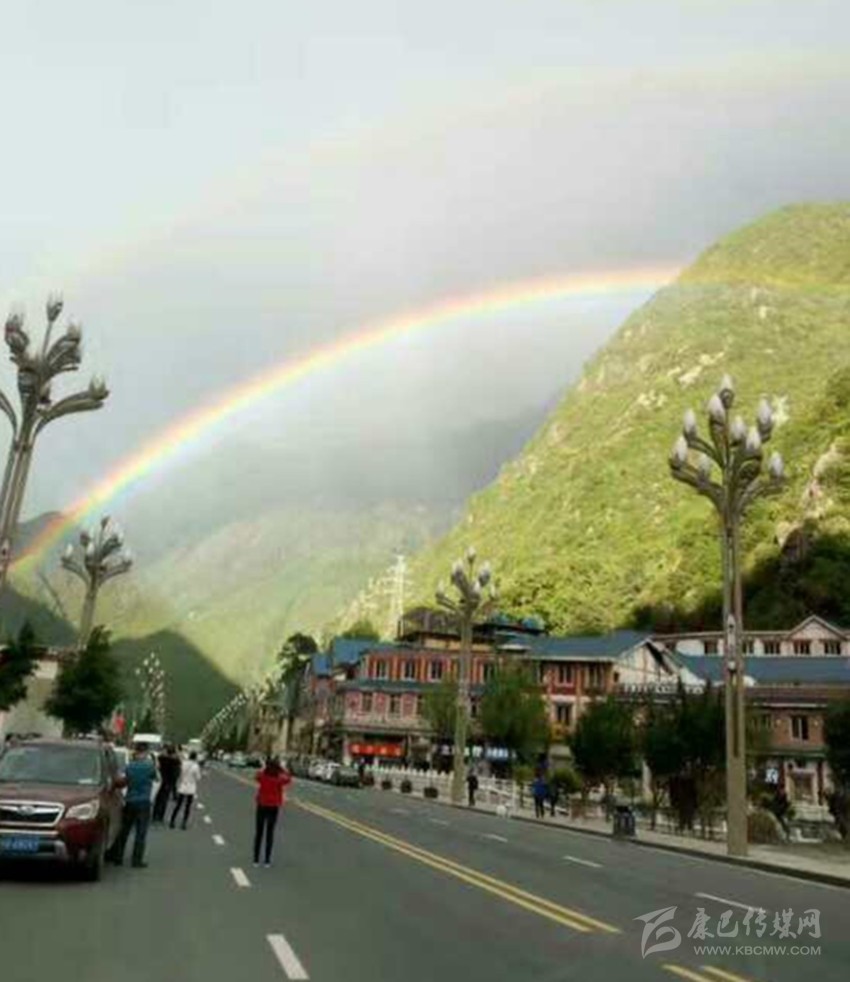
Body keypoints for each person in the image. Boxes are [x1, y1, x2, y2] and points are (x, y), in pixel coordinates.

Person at [110, 742, 157, 868]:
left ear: (136, 751)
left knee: (124, 830)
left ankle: (118, 857)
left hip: (130, 800)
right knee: (141, 833)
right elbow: (155, 777)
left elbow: (125, 780)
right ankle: (136, 860)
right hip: (144, 801)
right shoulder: (149, 766)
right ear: (146, 752)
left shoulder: (130, 766)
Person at [254, 756, 292, 868]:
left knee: (259, 833)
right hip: (273, 807)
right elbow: (288, 778)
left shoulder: (263, 777)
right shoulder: (278, 779)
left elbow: (257, 775)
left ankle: (256, 859)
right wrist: (283, 768)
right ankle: (267, 860)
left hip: (261, 805)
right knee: (270, 833)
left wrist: (263, 767)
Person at [170, 751, 202, 830]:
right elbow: (198, 778)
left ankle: (172, 821)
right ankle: (183, 823)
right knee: (187, 806)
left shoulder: (183, 764)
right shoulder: (196, 766)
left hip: (182, 786)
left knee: (178, 805)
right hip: (191, 788)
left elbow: (180, 773)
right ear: (195, 757)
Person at [153, 745, 180, 823]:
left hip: (161, 780)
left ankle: (154, 815)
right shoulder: (175, 761)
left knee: (158, 798)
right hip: (169, 782)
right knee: (164, 800)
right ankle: (160, 816)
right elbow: (176, 773)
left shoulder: (162, 758)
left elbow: (158, 758)